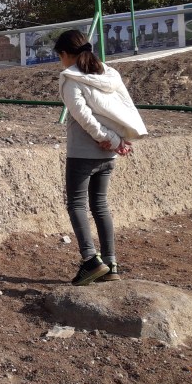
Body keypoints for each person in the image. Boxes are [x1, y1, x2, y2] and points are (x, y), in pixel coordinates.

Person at [54, 29, 148, 286]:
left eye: (60, 56)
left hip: (83, 153)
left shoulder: (71, 79)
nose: (61, 62)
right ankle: (111, 263)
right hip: (108, 154)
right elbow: (120, 109)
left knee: (76, 204)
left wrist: (108, 139)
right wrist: (116, 141)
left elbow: (84, 117)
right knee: (100, 205)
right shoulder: (107, 75)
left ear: (65, 54)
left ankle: (91, 260)